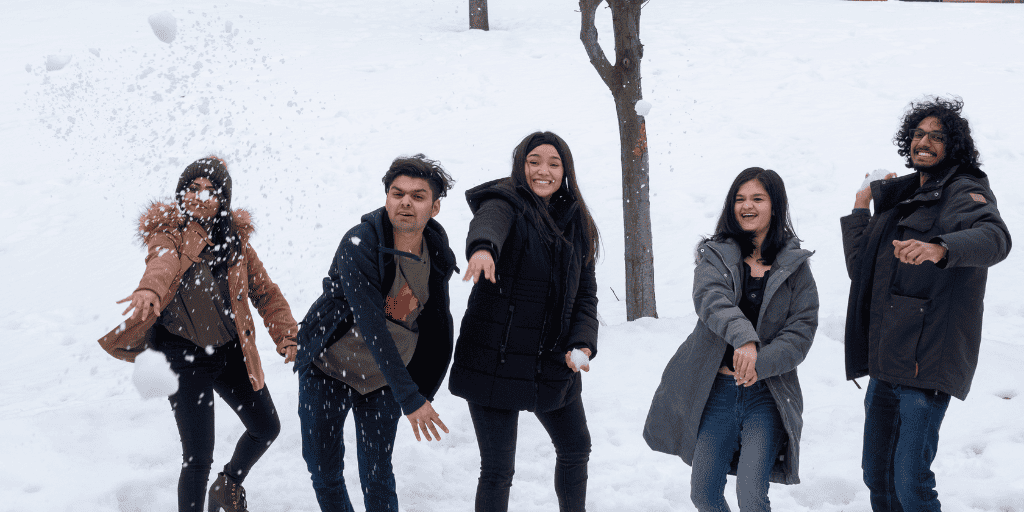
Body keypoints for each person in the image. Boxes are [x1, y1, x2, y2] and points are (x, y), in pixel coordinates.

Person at [98, 156, 299, 512]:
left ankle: (228, 485)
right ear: (181, 192)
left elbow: (266, 293)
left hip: (229, 354)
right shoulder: (169, 233)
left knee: (266, 428)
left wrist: (286, 335)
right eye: (193, 188)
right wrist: (150, 291)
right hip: (184, 358)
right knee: (197, 458)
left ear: (223, 200)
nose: (201, 197)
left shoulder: (236, 243)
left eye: (211, 191)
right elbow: (161, 263)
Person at [841, 96, 1010, 511]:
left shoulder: (963, 189)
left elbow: (995, 238)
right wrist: (861, 209)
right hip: (888, 360)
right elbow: (861, 272)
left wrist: (939, 248)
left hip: (927, 361)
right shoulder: (902, 197)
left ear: (953, 146)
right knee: (877, 475)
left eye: (937, 136)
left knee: (911, 480)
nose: (924, 142)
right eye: (918, 134)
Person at [643, 167, 818, 512]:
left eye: (757, 198)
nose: (747, 206)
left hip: (765, 396)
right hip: (716, 393)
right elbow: (712, 300)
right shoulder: (715, 256)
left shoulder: (795, 266)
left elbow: (801, 332)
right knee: (704, 494)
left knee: (751, 497)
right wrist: (745, 341)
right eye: (740, 199)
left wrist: (760, 362)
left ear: (775, 205)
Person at [295, 154, 458, 512]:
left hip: (384, 377)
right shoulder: (360, 242)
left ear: (435, 207)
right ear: (386, 198)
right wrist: (410, 397)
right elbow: (371, 325)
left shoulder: (438, 253)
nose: (405, 202)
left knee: (377, 472)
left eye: (418, 196)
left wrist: (422, 388)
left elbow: (437, 324)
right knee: (323, 469)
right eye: (397, 193)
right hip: (327, 367)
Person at [448, 131, 600, 512]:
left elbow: (585, 295)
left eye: (553, 163)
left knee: (576, 447)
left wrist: (581, 343)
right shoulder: (506, 199)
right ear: (521, 166)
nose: (543, 171)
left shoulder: (576, 220)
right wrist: (483, 249)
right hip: (494, 358)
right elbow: (490, 222)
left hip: (551, 358)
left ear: (565, 171)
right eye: (534, 162)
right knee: (498, 469)